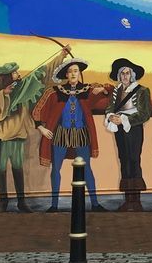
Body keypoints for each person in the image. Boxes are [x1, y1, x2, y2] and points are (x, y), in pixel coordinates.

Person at [33, 57, 111, 212]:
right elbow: (37, 111)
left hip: (82, 134)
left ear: (79, 73)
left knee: (87, 168)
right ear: (66, 75)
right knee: (56, 169)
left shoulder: (88, 90)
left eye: (76, 71)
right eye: (70, 71)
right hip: (60, 134)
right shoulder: (55, 92)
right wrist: (41, 128)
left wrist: (102, 89)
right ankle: (54, 206)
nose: (73, 74)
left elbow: (109, 90)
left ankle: (95, 204)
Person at [0, 61, 49, 212]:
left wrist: (61, 55)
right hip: (1, 139)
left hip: (17, 137)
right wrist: (4, 94)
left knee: (18, 168)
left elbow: (35, 80)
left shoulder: (21, 90)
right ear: (8, 76)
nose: (18, 74)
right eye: (15, 73)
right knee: (1, 169)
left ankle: (21, 202)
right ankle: (4, 202)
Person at [104, 57, 152, 212]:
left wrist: (124, 118)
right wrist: (111, 116)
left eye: (127, 73)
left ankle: (136, 200)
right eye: (122, 73)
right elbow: (110, 107)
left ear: (132, 75)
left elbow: (145, 114)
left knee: (133, 160)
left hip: (134, 130)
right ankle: (127, 200)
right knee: (124, 160)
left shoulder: (143, 90)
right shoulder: (116, 91)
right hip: (119, 130)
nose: (125, 76)